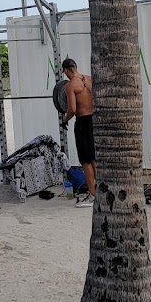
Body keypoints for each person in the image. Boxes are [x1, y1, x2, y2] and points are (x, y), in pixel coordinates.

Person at [59, 58, 95, 208]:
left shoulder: (70, 85)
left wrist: (64, 119)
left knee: (85, 160)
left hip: (82, 122)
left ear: (67, 70)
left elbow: (72, 109)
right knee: (94, 158)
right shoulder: (89, 79)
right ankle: (100, 190)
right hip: (94, 120)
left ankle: (93, 195)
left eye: (65, 72)